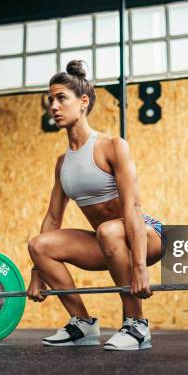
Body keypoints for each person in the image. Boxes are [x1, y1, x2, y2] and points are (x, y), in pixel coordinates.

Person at [26, 60, 164, 351]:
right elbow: (53, 218)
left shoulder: (113, 146)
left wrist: (140, 266)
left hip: (146, 235)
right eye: (51, 99)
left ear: (83, 102)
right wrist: (37, 273)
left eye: (61, 98)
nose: (54, 106)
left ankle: (137, 324)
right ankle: (82, 323)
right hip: (107, 242)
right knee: (39, 245)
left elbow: (133, 209)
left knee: (110, 230)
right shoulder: (63, 164)